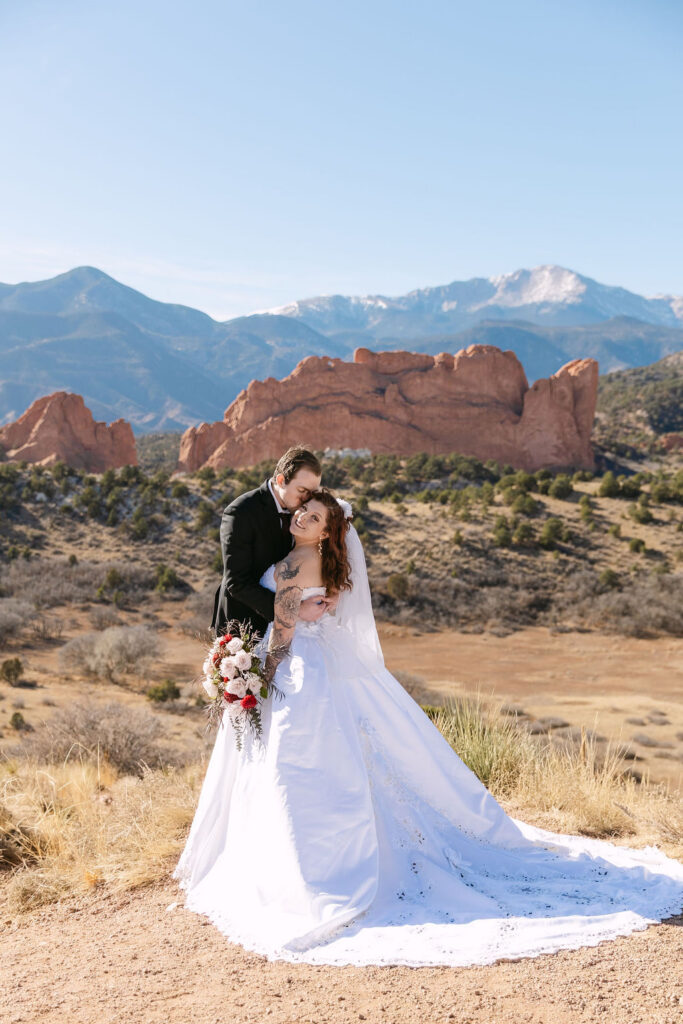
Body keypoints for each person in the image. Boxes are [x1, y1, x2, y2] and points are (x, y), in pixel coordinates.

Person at [176, 489, 683, 968]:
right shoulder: (315, 560)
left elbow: (284, 629)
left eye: (314, 517)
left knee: (298, 764)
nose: (303, 517)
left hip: (299, 668)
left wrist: (261, 673)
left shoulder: (296, 561)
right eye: (303, 510)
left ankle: (315, 873)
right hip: (317, 660)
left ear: (327, 532)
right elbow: (303, 609)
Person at [210, 445, 329, 638]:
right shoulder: (241, 512)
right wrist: (295, 610)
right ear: (281, 480)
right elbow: (238, 583)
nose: (306, 500)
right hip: (242, 627)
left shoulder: (303, 515)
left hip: (287, 633)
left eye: (312, 493)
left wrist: (328, 591)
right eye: (302, 491)